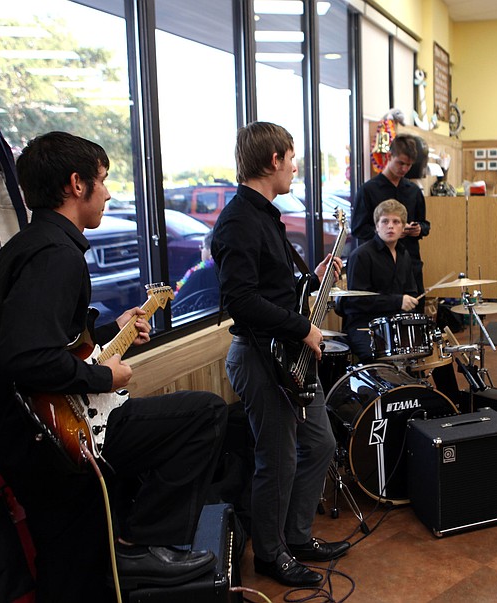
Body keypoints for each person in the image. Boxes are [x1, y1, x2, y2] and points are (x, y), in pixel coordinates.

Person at [0, 132, 228, 601]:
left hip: (21, 432)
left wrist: (115, 329)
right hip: (49, 435)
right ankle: (141, 544)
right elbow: (27, 356)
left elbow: (46, 338)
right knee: (207, 415)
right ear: (76, 184)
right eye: (104, 180)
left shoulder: (22, 248)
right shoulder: (56, 256)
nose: (109, 193)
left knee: (68, 553)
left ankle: (129, 549)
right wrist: (103, 376)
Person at [213, 121, 348, 588]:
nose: (295, 167)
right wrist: (304, 327)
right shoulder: (237, 221)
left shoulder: (265, 214)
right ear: (273, 161)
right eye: (292, 157)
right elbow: (241, 301)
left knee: (321, 444)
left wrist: (312, 280)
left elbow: (272, 287)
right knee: (279, 458)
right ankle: (271, 555)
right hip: (258, 357)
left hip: (282, 355)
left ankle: (297, 535)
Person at [351, 134, 430, 310]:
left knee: (416, 315)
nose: (404, 169)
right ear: (389, 157)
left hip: (409, 262)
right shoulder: (368, 190)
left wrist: (419, 230)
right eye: (400, 163)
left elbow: (425, 224)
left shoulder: (414, 191)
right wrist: (388, 233)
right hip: (378, 267)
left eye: (409, 165)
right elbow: (358, 229)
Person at [341, 199, 419, 362]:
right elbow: (356, 300)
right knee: (378, 358)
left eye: (396, 221)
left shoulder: (404, 254)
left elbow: (411, 292)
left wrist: (410, 303)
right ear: (376, 226)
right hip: (365, 326)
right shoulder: (361, 255)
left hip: (394, 324)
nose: (390, 226)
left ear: (403, 227)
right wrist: (397, 302)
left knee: (433, 349)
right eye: (385, 221)